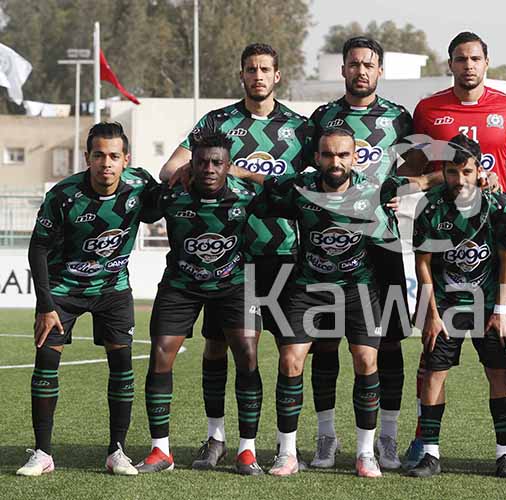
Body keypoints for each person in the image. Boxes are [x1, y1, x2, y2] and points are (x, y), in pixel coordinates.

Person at [245, 128, 439, 478]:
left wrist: (478, 178)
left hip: (359, 289)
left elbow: (428, 180)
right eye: (328, 155)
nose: (335, 162)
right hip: (308, 289)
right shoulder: (299, 188)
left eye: (343, 155)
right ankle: (287, 453)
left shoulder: (376, 188)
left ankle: (366, 453)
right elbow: (261, 190)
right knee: (291, 361)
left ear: (355, 157)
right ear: (317, 157)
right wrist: (238, 173)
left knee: (366, 359)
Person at [157, 43, 310, 469]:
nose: (258, 75)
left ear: (277, 75)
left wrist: (238, 171)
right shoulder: (217, 122)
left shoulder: (299, 128)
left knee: (288, 352)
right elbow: (170, 172)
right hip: (230, 257)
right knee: (217, 346)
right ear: (241, 74)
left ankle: (283, 447)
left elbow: (318, 182)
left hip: (283, 252)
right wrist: (235, 172)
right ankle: (216, 437)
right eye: (250, 69)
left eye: (265, 69)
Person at [405, 31, 506, 470]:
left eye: (475, 58)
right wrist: (422, 184)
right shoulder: (428, 109)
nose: (468, 65)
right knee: (434, 353)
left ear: (487, 62)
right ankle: (423, 443)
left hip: (491, 246)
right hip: (445, 245)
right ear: (449, 63)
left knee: (502, 352)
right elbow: (413, 171)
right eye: (460, 59)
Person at [18, 122, 157, 477]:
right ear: (87, 158)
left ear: (126, 159)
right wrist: (46, 305)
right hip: (64, 293)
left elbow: (162, 207)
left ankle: (117, 452)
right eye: (98, 155)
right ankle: (43, 453)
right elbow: (38, 248)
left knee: (122, 368)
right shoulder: (64, 195)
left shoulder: (140, 186)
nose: (106, 163)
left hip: (113, 291)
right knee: (46, 365)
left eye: (113, 156)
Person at [304, 36, 414, 470]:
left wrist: (397, 189)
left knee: (387, 346)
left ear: (380, 71)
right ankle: (326, 437)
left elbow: (418, 165)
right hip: (329, 249)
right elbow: (304, 171)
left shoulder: (398, 119)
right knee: (326, 345)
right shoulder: (323, 117)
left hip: (382, 244)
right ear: (343, 69)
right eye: (353, 64)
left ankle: (386, 438)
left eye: (369, 64)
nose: (361, 71)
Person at [135, 132, 264, 475]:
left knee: (247, 354)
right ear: (191, 164)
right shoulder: (170, 196)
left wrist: (247, 173)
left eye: (217, 163)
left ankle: (247, 451)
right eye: (202, 162)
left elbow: (288, 189)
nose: (209, 169)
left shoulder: (246, 193)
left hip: (235, 283)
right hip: (182, 284)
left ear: (228, 166)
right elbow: (135, 206)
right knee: (161, 353)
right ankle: (161, 451)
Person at [406, 134, 506, 479]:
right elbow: (422, 262)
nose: (460, 179)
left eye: (467, 171)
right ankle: (430, 455)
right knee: (433, 374)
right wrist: (431, 314)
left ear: (479, 169)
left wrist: (501, 311)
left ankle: (504, 455)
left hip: (487, 306)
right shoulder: (430, 205)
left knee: (498, 373)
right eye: (453, 172)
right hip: (445, 304)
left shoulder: (499, 205)